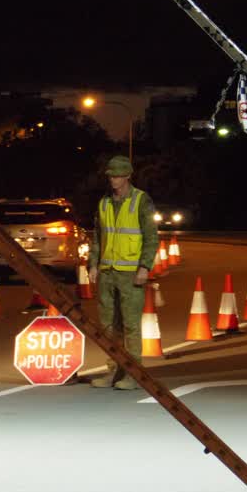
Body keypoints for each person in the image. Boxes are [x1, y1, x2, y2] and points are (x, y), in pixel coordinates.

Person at [89, 155, 158, 390]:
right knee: (108, 326)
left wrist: (144, 267)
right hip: (108, 272)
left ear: (128, 176)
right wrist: (93, 264)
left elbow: (151, 237)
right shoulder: (104, 202)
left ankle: (134, 375)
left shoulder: (141, 201)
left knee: (130, 326)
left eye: (117, 175)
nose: (113, 179)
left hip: (131, 273)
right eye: (111, 175)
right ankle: (113, 371)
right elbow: (98, 237)